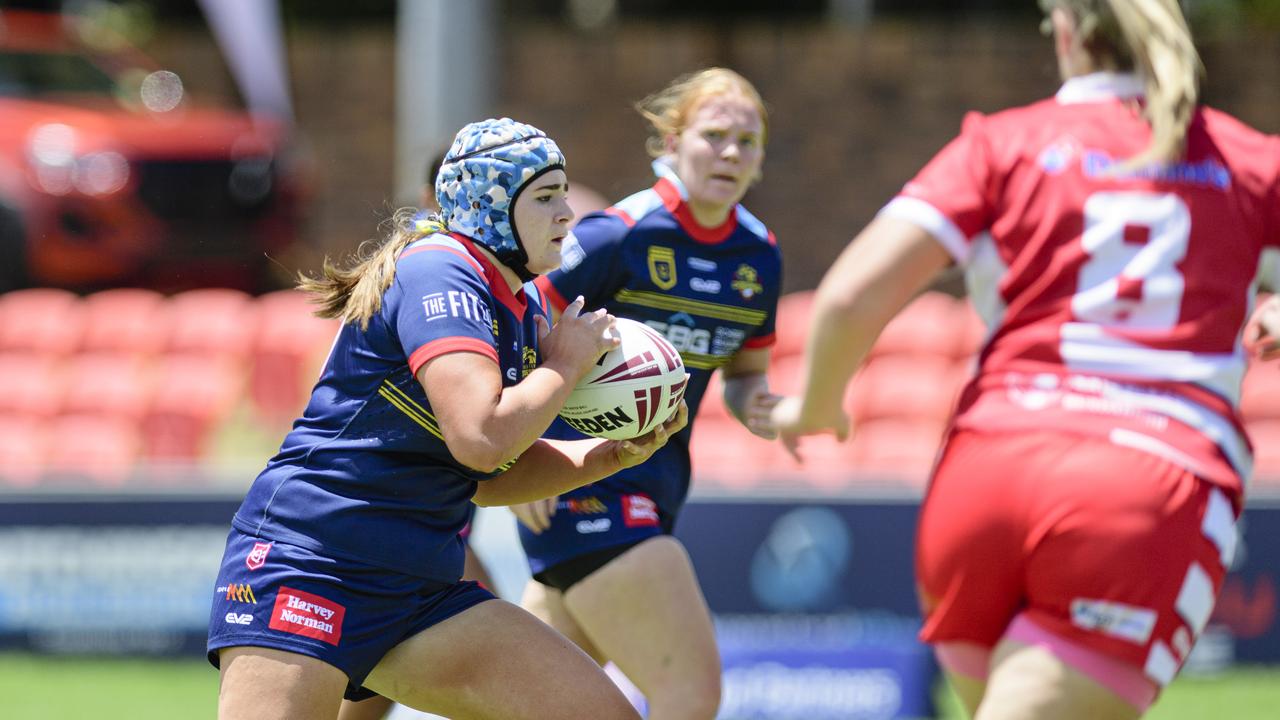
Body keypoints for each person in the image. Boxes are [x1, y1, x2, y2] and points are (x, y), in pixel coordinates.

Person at [772, 1, 1280, 718]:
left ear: (1065, 33)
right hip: (1142, 486)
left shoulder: (1002, 143)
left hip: (984, 475)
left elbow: (851, 294)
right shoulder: (1249, 159)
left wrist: (818, 403)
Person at [207, 117, 687, 720]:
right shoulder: (442, 268)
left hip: (417, 587)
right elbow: (482, 438)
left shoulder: (523, 300)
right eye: (545, 196)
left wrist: (607, 456)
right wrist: (564, 363)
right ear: (491, 206)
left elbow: (489, 480)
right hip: (313, 564)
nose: (567, 213)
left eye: (564, 193)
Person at [512, 67, 783, 720]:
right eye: (714, 135)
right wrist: (519, 463)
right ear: (671, 140)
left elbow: (746, 377)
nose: (730, 154)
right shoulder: (618, 233)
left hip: (658, 485)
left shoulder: (759, 256)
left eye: (747, 142)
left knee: (532, 709)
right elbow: (513, 329)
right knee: (690, 694)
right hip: (586, 487)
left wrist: (770, 409)